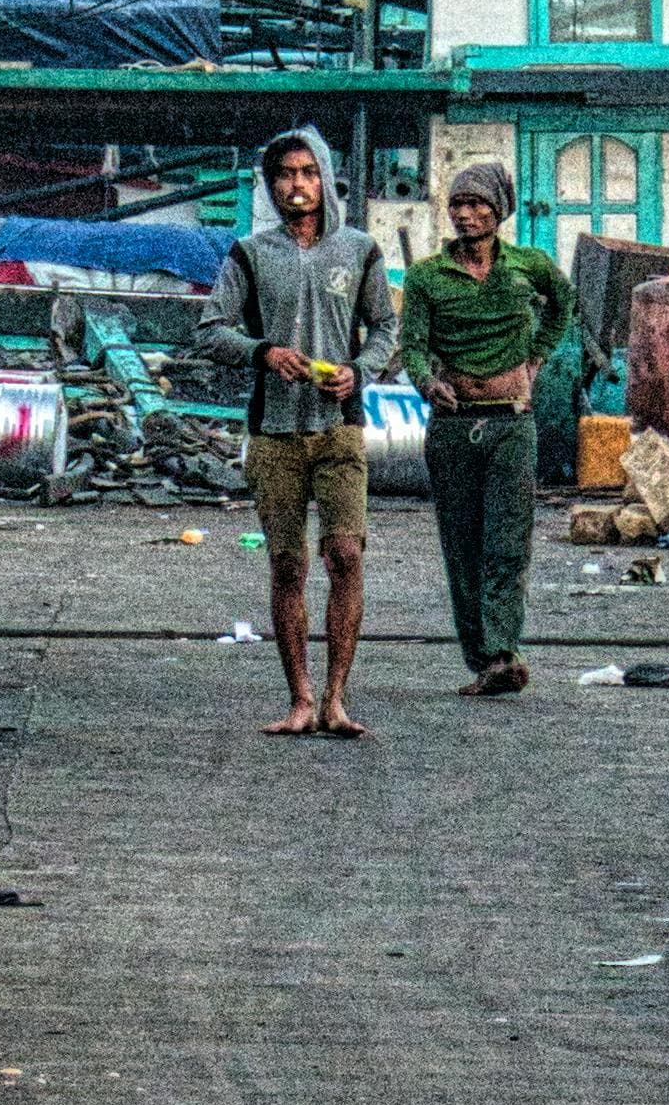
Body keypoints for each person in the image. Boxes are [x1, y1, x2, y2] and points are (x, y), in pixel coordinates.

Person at [206, 125, 395, 739]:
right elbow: (211, 328)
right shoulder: (250, 253)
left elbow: (386, 331)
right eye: (286, 174)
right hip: (275, 433)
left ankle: (337, 699)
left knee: (345, 554)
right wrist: (263, 353)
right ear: (271, 183)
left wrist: (359, 371)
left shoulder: (360, 251)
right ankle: (300, 699)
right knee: (287, 566)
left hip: (338, 429)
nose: (297, 184)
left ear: (326, 179)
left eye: (308, 172)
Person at [400, 160, 574, 697]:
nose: (467, 214)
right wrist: (429, 383)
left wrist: (539, 356)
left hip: (512, 425)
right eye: (457, 204)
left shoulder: (529, 266)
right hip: (453, 427)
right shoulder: (427, 276)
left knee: (508, 541)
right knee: (462, 542)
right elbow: (412, 346)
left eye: (478, 204)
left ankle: (503, 652)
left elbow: (563, 304)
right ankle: (482, 657)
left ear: (499, 211)